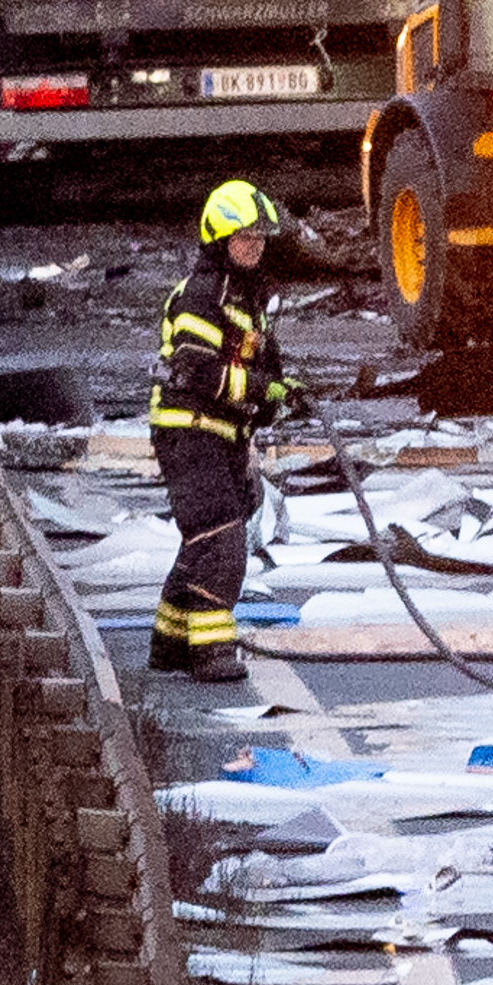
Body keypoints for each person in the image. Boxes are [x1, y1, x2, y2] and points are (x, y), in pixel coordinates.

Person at [148, 179, 305, 683]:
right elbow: (195, 370)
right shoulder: (203, 294)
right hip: (188, 432)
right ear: (219, 241)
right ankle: (211, 653)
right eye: (243, 239)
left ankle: (170, 644)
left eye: (260, 239)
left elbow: (255, 378)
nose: (253, 248)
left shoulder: (248, 298)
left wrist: (279, 396)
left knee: (203, 536)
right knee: (220, 536)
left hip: (220, 435)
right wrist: (261, 387)